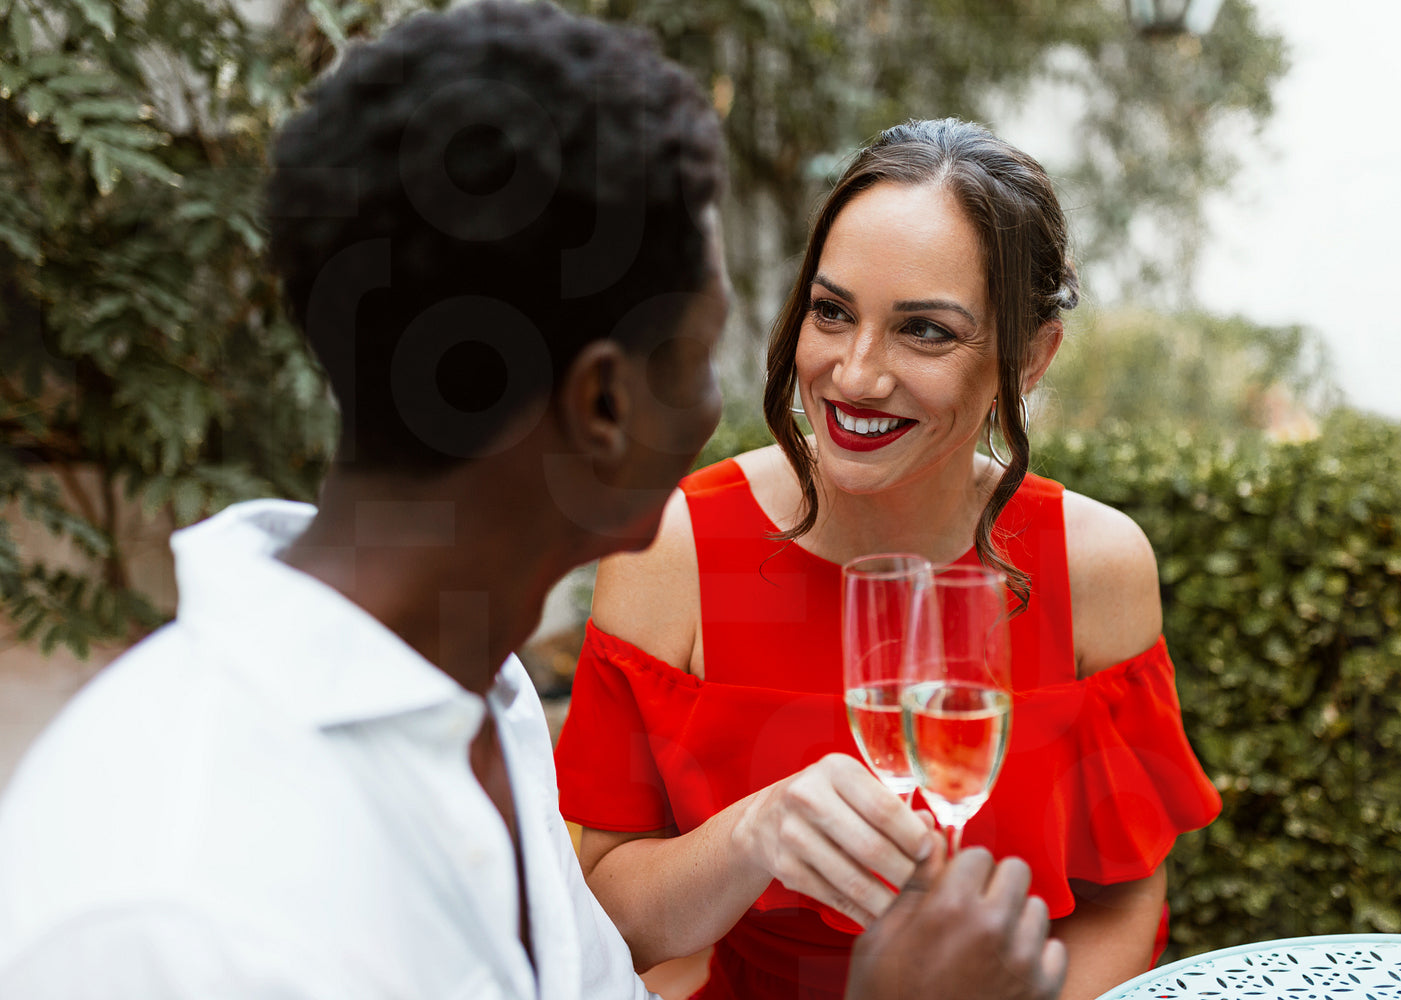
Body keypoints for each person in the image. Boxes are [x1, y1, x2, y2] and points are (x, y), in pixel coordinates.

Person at [0, 5, 1068, 1000]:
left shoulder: (483, 703)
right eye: (705, 349)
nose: (819, 385)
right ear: (606, 405)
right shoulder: (172, 901)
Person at [554, 118, 1224, 1000]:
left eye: (925, 331)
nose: (856, 375)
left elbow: (1122, 904)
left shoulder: (1097, 567)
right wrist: (755, 833)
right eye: (832, 313)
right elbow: (604, 915)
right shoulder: (671, 548)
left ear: (1028, 359)